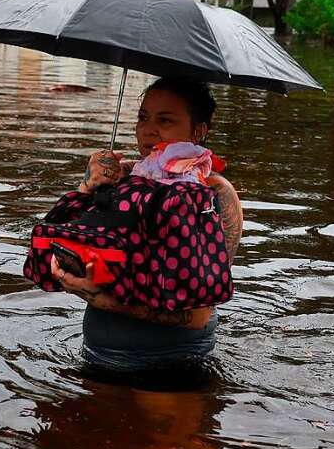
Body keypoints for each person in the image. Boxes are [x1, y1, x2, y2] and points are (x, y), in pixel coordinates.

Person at [50, 77, 243, 370]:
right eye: (143, 117)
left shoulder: (213, 193)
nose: (148, 130)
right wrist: (88, 186)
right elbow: (63, 241)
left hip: (170, 361)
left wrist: (102, 300)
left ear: (198, 130)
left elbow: (198, 315)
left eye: (165, 120)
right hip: (99, 351)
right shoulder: (124, 179)